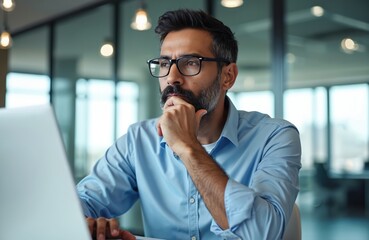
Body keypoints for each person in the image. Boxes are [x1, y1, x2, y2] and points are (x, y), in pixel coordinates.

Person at [77, 9, 301, 240]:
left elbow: (261, 235)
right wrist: (91, 226)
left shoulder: (275, 136)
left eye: (191, 63)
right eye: (164, 64)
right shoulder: (138, 140)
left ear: (228, 76)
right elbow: (82, 203)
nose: (172, 77)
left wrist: (188, 147)